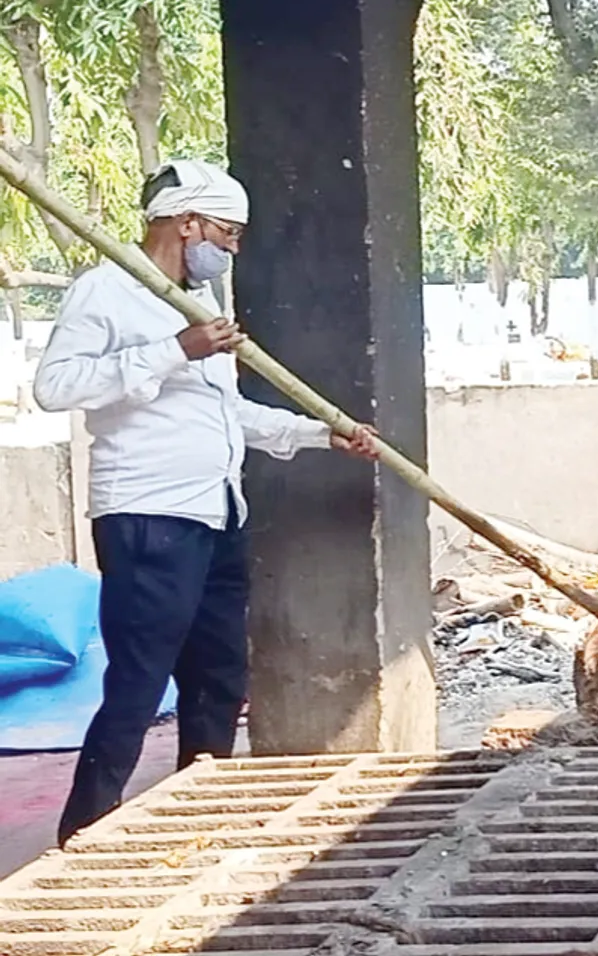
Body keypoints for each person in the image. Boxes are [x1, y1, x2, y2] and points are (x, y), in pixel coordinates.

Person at [33, 159, 381, 846]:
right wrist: (173, 351)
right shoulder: (108, 289)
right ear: (186, 223)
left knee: (219, 676)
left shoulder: (203, 304)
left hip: (217, 512)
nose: (231, 248)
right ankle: (83, 831)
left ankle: (201, 817)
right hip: (148, 515)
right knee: (140, 681)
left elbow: (227, 415)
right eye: (227, 233)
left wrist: (320, 433)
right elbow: (56, 386)